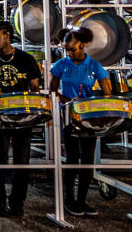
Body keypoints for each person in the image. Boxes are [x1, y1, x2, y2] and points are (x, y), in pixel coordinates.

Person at [0, 20, 43, 218]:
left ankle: (17, 202)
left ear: (7, 35)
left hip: (23, 117)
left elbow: (35, 88)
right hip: (1, 117)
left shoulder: (26, 59)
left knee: (21, 162)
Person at [49, 27, 110, 217]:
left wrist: (92, 102)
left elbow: (107, 92)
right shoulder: (61, 64)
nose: (69, 53)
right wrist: (65, 100)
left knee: (88, 158)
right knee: (73, 157)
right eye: (67, 50)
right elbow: (52, 91)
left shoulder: (94, 66)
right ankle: (69, 199)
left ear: (82, 46)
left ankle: (82, 200)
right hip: (69, 115)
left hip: (89, 117)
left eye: (73, 49)